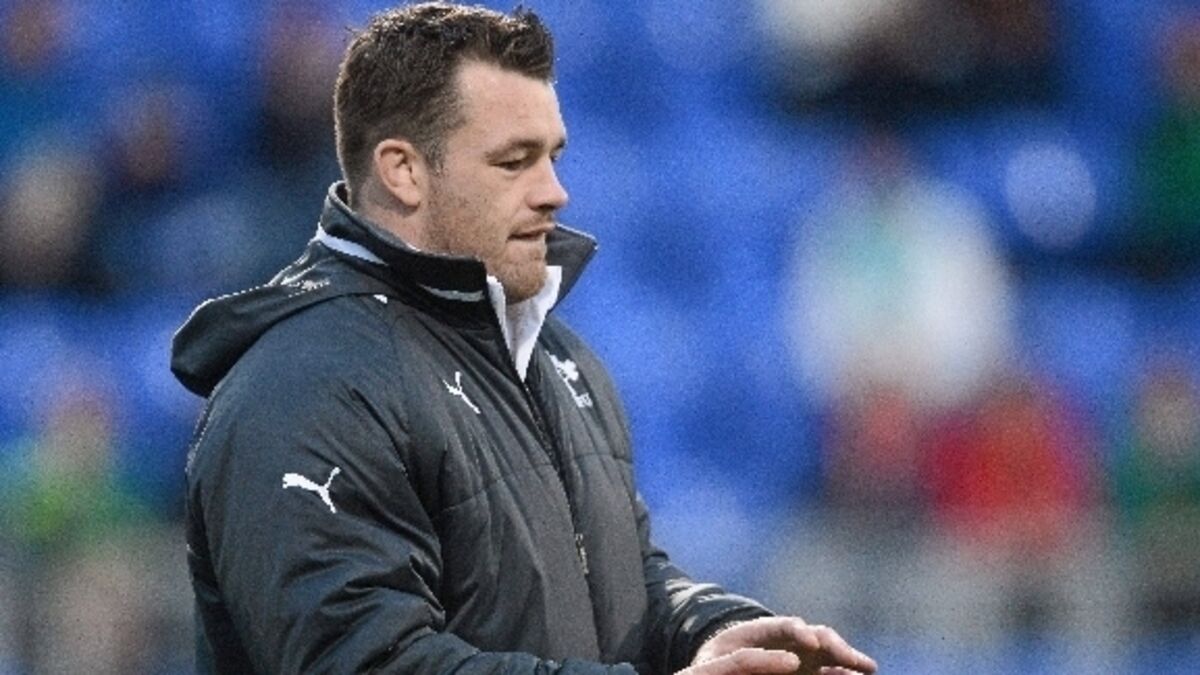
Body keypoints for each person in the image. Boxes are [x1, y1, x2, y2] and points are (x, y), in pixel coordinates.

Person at [170, 3, 878, 674]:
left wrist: (712, 631)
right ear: (403, 170)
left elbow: (619, 583)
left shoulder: (557, 359)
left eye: (553, 157)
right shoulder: (303, 388)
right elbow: (366, 662)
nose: (554, 192)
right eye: (514, 161)